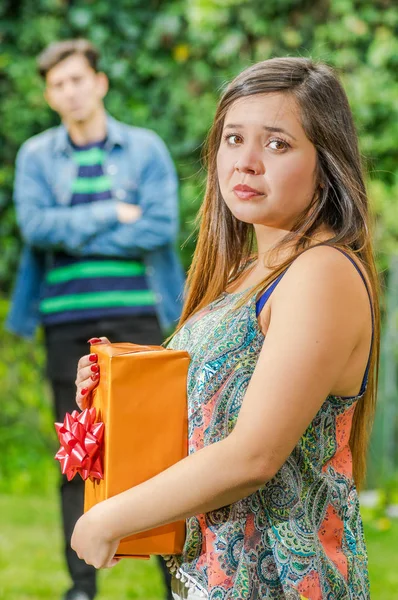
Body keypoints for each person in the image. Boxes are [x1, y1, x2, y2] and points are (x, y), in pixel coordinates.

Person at [71, 57, 380, 599]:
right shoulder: (248, 272)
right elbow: (212, 419)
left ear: (325, 163)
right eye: (234, 139)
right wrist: (122, 393)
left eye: (278, 144)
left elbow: (252, 456)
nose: (247, 162)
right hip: (213, 576)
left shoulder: (322, 272)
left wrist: (109, 518)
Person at [6, 39, 184, 600]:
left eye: (78, 79)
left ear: (100, 82)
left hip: (139, 315)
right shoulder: (36, 156)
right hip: (66, 326)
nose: (70, 91)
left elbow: (157, 227)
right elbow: (37, 227)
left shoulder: (145, 149)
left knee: (159, 451)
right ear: (48, 95)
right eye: (58, 84)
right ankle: (81, 586)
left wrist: (74, 227)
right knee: (77, 452)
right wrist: (112, 213)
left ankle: (172, 578)